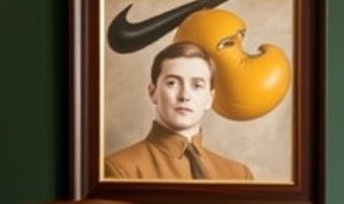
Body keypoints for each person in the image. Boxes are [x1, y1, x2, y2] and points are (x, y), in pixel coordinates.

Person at [104, 41, 254, 181]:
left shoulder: (239, 175)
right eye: (172, 83)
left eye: (197, 85)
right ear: (152, 92)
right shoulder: (120, 170)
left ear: (210, 98)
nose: (184, 96)